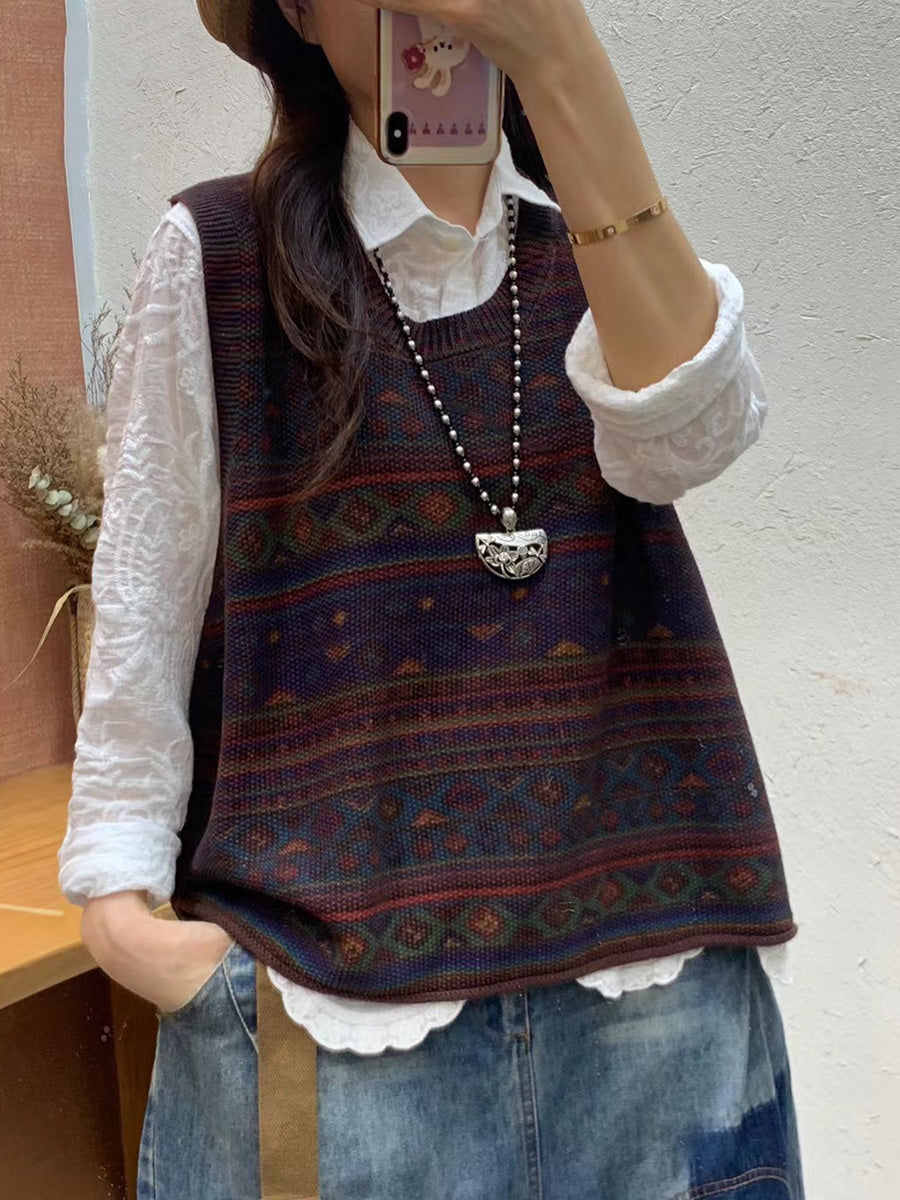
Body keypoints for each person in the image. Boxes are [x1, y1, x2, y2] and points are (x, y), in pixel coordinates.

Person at [58, 1, 806, 1197]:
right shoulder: (222, 254)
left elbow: (694, 436)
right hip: (334, 1021)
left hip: (650, 1002)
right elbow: (146, 605)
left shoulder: (597, 252)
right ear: (298, 10)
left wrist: (563, 60)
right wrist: (126, 919)